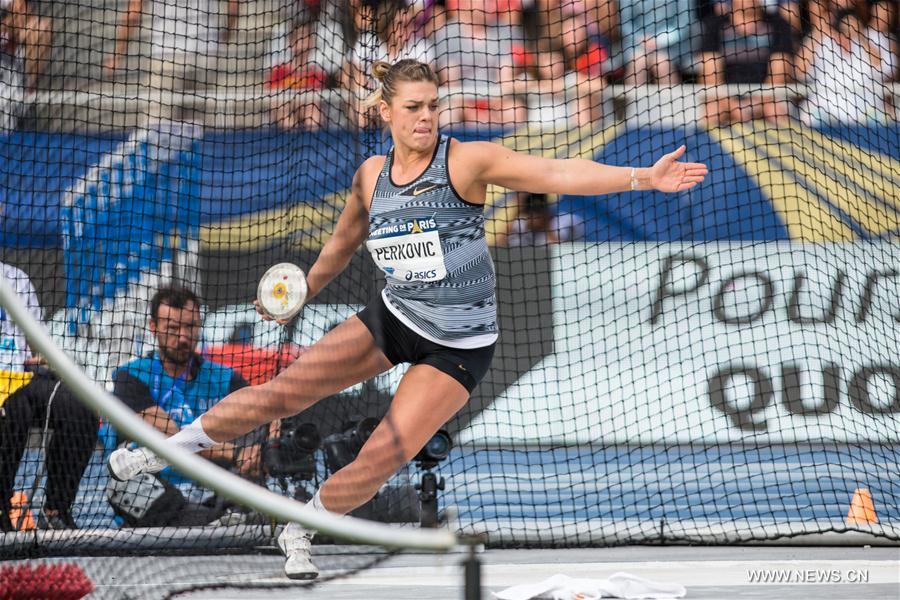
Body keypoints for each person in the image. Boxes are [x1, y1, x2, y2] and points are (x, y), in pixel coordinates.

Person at [108, 59, 707, 579]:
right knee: (280, 394)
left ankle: (304, 526)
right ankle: (159, 452)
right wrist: (297, 293)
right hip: (392, 318)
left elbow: (554, 173)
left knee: (386, 453)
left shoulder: (466, 162)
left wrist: (643, 178)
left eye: (434, 107)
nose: (427, 118)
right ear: (387, 112)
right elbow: (340, 248)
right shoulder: (371, 176)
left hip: (459, 345)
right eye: (414, 108)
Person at [108, 286, 264, 527]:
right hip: (158, 491)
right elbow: (176, 439)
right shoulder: (130, 377)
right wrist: (236, 454)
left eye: (190, 327)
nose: (182, 337)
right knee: (125, 484)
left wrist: (258, 448)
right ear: (153, 327)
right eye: (172, 329)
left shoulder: (224, 377)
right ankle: (219, 521)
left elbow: (265, 410)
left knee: (258, 469)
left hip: (214, 487)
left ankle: (217, 519)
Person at [0, 261, 97, 531]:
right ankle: (2, 509)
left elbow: (38, 345)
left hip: (19, 375)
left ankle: (55, 510)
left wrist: (53, 364)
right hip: (9, 395)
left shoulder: (14, 278)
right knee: (14, 410)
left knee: (81, 405)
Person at [104, 0, 239, 125]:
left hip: (167, 55)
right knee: (191, 132)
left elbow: (134, 9)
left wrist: (117, 55)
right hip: (206, 55)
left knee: (156, 130)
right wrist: (225, 37)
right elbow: (234, 4)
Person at [699, 0, 795, 126]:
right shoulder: (715, 25)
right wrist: (734, 107)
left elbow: (778, 76)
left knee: (776, 113)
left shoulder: (778, 23)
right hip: (724, 98)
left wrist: (751, 105)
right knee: (711, 113)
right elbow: (711, 79)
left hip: (766, 98)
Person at [0, 0, 51, 131]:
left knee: (41, 28)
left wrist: (12, 25)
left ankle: (27, 91)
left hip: (14, 76)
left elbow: (22, 17)